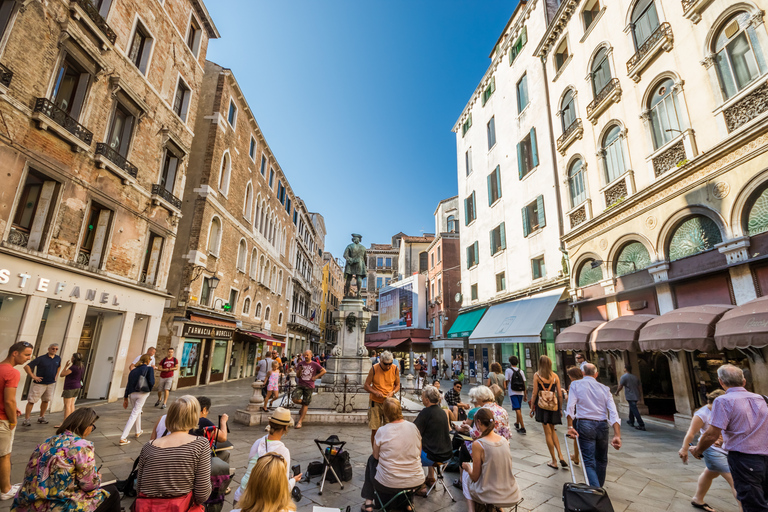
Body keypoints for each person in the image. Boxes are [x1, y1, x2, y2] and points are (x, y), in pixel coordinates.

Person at [691, 364, 768, 512]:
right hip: (765, 457)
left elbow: (711, 434)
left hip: (744, 460)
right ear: (744, 381)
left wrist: (698, 450)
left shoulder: (723, 401)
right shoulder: (763, 399)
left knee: (753, 503)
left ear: (721, 382)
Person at [12, 408, 119, 512]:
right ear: (86, 426)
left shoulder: (47, 442)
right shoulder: (82, 447)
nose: (91, 430)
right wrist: (98, 478)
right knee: (112, 493)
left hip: (27, 503)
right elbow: (89, 485)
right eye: (92, 426)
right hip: (56, 506)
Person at [134, 396, 211, 509]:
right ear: (194, 418)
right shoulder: (200, 444)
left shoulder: (149, 446)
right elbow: (202, 494)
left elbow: (139, 487)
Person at [679, 389, 740, 512]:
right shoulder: (701, 414)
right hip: (711, 450)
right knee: (735, 480)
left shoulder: (724, 409)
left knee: (711, 472)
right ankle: (744, 508)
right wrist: (684, 449)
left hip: (724, 448)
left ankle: (697, 499)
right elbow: (691, 433)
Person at [361, 398, 424, 512]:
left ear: (385, 413)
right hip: (416, 480)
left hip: (389, 482)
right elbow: (418, 453)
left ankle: (369, 502)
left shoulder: (382, 430)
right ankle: (409, 503)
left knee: (371, 460)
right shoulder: (413, 427)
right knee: (410, 466)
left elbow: (376, 456)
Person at [566, 363, 622, 488]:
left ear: (582, 373)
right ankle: (598, 490)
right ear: (596, 374)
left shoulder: (575, 384)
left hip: (585, 423)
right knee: (602, 460)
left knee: (589, 461)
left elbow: (570, 407)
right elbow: (613, 412)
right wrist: (617, 435)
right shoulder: (605, 389)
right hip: (602, 425)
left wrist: (570, 426)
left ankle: (595, 492)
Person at [234, 408, 301, 504]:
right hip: (258, 503)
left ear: (270, 422)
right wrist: (294, 480)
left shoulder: (258, 442)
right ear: (286, 428)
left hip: (240, 496)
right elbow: (283, 488)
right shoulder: (284, 452)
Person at [461, 408, 521, 512]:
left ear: (478, 422)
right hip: (512, 492)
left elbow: (475, 477)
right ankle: (499, 509)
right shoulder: (504, 441)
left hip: (489, 495)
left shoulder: (479, 444)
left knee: (466, 475)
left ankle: (471, 510)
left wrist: (467, 468)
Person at [0, 342, 33, 500]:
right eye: (26, 354)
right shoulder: (12, 373)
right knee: (5, 455)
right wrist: (13, 420)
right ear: (15, 353)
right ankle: (5, 490)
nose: (29, 358)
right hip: (2, 419)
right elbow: (9, 401)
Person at [413, 386, 452, 495]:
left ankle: (419, 486)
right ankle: (431, 477)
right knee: (430, 444)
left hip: (432, 457)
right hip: (447, 455)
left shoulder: (426, 412)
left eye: (423, 396)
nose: (422, 398)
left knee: (411, 452)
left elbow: (414, 430)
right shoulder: (443, 412)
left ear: (427, 399)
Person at [530, 355, 566, 470]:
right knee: (553, 431)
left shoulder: (537, 376)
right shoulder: (555, 376)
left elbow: (535, 393)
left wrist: (532, 407)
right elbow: (560, 394)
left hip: (542, 406)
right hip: (553, 405)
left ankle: (554, 460)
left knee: (548, 433)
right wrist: (560, 408)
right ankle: (561, 455)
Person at [363, 350, 401, 447]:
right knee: (375, 428)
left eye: (390, 364)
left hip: (389, 402)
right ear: (381, 361)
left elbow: (397, 385)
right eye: (385, 364)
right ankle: (375, 452)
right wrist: (375, 392)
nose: (388, 366)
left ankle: (387, 450)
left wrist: (392, 392)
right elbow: (366, 385)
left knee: (390, 428)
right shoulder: (374, 369)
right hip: (375, 401)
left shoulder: (395, 369)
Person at [119, 354, 154, 446]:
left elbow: (128, 384)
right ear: (148, 361)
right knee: (134, 413)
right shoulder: (149, 369)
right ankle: (123, 437)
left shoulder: (133, 371)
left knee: (137, 411)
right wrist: (149, 389)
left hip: (132, 394)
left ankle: (138, 431)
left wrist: (125, 398)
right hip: (143, 392)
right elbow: (151, 381)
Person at [22, 344, 61, 426]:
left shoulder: (58, 358)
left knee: (46, 400)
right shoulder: (41, 358)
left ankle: (41, 417)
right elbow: (27, 367)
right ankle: (26, 419)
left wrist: (56, 375)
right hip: (39, 384)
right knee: (32, 401)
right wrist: (33, 376)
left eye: (56, 349)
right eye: (53, 348)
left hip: (50, 383)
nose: (54, 350)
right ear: (49, 349)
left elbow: (59, 366)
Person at [291, 350, 326, 429]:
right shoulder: (300, 364)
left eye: (307, 355)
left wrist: (316, 377)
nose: (305, 356)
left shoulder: (314, 364)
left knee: (306, 403)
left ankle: (300, 421)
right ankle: (304, 405)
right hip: (300, 384)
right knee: (295, 398)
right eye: (304, 355)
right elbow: (298, 375)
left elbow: (324, 371)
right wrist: (300, 370)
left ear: (311, 355)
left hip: (309, 386)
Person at [57, 352, 85, 428]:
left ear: (74, 359)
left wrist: (65, 366)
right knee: (72, 404)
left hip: (70, 387)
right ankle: (72, 421)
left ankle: (65, 423)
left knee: (67, 405)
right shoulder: (81, 366)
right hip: (77, 386)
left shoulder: (73, 367)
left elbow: (62, 374)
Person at [615, 365, 645, 431]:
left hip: (630, 395)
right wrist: (640, 395)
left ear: (625, 369)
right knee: (632, 408)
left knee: (634, 410)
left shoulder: (624, 377)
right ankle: (631, 421)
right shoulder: (635, 377)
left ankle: (641, 424)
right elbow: (639, 387)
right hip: (635, 395)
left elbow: (621, 386)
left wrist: (617, 392)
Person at [565, 366, 584, 466]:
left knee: (576, 436)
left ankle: (576, 457)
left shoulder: (573, 384)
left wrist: (565, 393)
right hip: (585, 413)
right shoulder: (586, 383)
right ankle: (576, 456)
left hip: (576, 413)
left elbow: (570, 402)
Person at [505, 356, 527, 435]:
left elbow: (506, 381)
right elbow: (524, 383)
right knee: (519, 408)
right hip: (520, 392)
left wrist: (504, 389)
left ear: (510, 362)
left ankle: (523, 427)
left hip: (513, 392)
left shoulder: (508, 370)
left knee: (517, 409)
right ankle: (517, 423)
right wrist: (525, 394)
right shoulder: (521, 371)